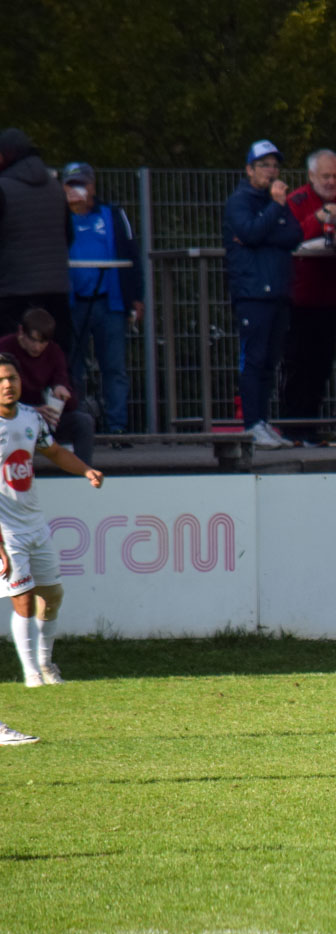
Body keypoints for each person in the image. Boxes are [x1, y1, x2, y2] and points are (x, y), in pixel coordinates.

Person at [0, 354, 103, 700]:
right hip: (6, 531)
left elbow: (55, 452)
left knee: (53, 596)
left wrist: (86, 470)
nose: (8, 385)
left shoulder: (30, 417)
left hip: (34, 523)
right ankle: (31, 674)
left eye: (12, 378)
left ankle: (46, 664)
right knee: (23, 600)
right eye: (1, 380)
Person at [223, 139, 302, 450]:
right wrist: (274, 211)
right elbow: (251, 232)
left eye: (274, 165)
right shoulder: (240, 201)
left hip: (278, 291)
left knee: (269, 361)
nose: (271, 171)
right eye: (264, 165)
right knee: (254, 360)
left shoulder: (275, 203)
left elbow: (293, 235)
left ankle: (262, 421)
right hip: (253, 293)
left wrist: (266, 228)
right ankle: (252, 424)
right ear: (249, 169)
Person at [61, 163, 141, 437]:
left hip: (109, 303)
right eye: (71, 185)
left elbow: (131, 253)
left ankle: (117, 427)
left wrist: (135, 297)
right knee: (71, 366)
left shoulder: (112, 214)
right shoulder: (57, 217)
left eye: (82, 184)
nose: (77, 190)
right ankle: (75, 425)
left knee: (114, 367)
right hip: (72, 304)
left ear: (93, 186)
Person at [281, 149, 336, 446]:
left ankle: (310, 426)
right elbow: (290, 236)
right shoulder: (296, 201)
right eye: (326, 176)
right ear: (311, 176)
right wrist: (317, 219)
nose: (332, 182)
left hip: (331, 297)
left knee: (322, 365)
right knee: (296, 364)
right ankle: (292, 426)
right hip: (299, 298)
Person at [0, 129, 73, 357]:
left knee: (10, 358)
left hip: (12, 289)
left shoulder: (3, 188)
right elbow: (69, 235)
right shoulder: (57, 189)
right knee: (55, 358)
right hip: (56, 288)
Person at [0, 309, 95, 465]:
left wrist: (61, 391)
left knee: (83, 422)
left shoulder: (54, 352)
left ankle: (83, 472)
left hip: (44, 419)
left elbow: (69, 396)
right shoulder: (4, 348)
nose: (37, 347)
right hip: (11, 417)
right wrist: (31, 411)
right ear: (21, 332)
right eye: (33, 340)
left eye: (43, 342)